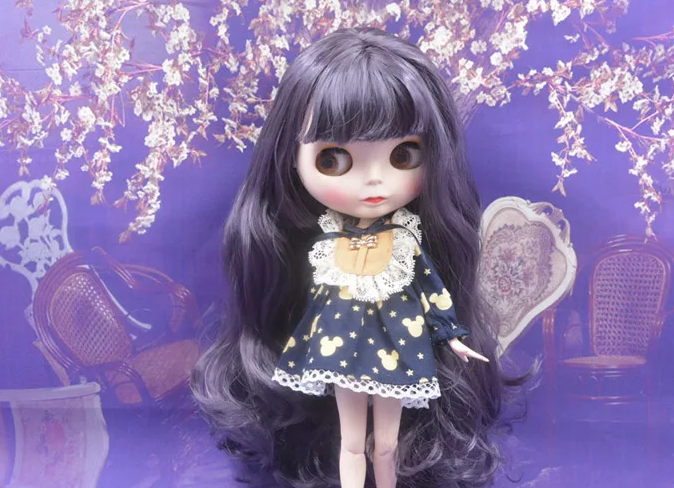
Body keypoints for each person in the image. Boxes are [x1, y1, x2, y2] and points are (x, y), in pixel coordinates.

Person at [192, 26, 518, 488]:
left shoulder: (405, 243)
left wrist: (452, 337)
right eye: (334, 159)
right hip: (339, 355)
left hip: (400, 353)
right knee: (351, 441)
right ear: (289, 157)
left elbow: (433, 292)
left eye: (404, 155)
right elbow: (314, 305)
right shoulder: (324, 246)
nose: (374, 181)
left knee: (386, 443)